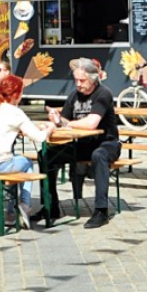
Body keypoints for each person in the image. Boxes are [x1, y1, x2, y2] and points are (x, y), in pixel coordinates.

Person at [44, 58, 121, 229]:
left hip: (107, 143)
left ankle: (101, 210)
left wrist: (64, 123)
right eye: (76, 80)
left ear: (93, 78)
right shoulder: (74, 95)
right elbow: (65, 118)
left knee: (98, 156)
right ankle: (50, 206)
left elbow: (91, 123)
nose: (78, 84)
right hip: (83, 144)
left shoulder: (103, 93)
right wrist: (56, 118)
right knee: (47, 155)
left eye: (82, 80)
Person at [0, 74, 48, 229]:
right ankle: (25, 204)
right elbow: (39, 137)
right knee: (26, 163)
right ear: (16, 95)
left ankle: (11, 213)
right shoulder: (14, 112)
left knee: (13, 165)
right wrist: (50, 128)